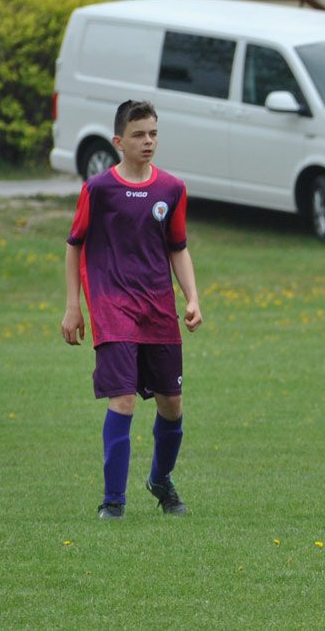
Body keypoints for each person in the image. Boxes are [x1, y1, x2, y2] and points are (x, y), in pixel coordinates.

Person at [62, 100, 201, 520]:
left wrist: (192, 298)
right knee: (123, 400)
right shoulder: (99, 190)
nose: (148, 141)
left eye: (154, 133)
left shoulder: (172, 189)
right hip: (112, 306)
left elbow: (178, 248)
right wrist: (74, 307)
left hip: (158, 309)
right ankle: (113, 501)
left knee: (171, 405)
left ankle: (160, 480)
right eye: (139, 134)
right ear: (118, 141)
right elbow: (74, 246)